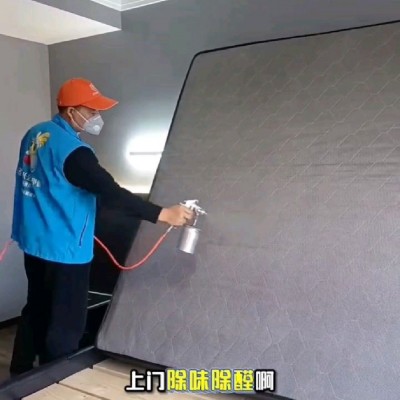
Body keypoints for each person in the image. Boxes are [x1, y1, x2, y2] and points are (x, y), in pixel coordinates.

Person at [9, 78, 194, 375]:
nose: (97, 116)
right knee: (66, 323)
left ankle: (20, 372)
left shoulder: (37, 133)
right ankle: (52, 381)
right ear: (71, 111)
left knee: (37, 308)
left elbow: (50, 183)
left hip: (34, 243)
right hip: (65, 250)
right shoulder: (75, 153)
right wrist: (163, 214)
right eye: (91, 110)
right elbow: (112, 194)